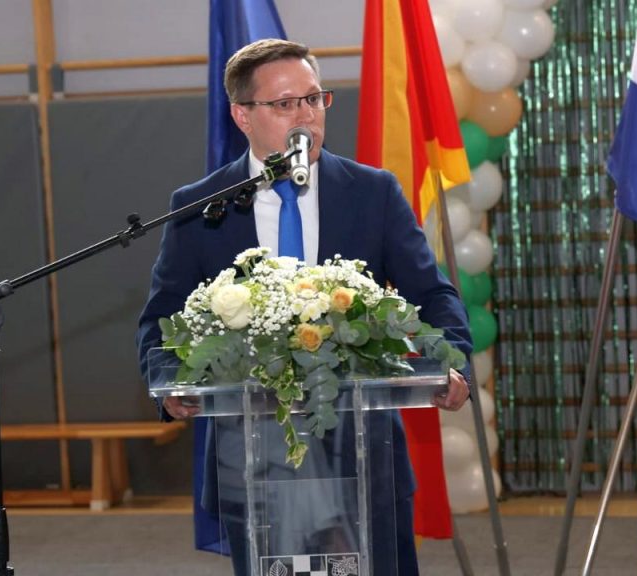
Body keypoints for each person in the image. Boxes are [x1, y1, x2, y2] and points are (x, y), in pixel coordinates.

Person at [137, 38, 472, 576]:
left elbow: (433, 294)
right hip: (254, 462)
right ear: (242, 115)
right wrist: (172, 382)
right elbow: (162, 317)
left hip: (364, 454)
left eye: (314, 99)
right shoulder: (202, 207)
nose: (306, 116)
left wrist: (452, 362)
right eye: (285, 103)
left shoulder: (372, 192)